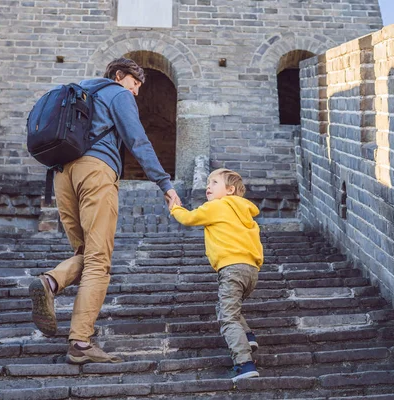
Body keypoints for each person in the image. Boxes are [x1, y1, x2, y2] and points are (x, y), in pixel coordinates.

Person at [29, 57, 182, 364]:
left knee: (85, 254)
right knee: (99, 260)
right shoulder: (118, 93)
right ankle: (81, 343)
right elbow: (136, 139)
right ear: (118, 75)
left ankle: (52, 283)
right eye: (134, 83)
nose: (136, 92)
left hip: (61, 174)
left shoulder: (79, 91)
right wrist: (164, 183)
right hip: (96, 171)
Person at [169, 168, 263, 381]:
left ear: (229, 190)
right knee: (226, 307)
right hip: (251, 271)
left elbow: (190, 218)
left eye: (213, 183)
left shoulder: (217, 206)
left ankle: (244, 363)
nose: (207, 187)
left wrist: (175, 208)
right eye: (208, 183)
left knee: (227, 317)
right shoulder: (245, 212)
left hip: (231, 269)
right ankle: (247, 337)